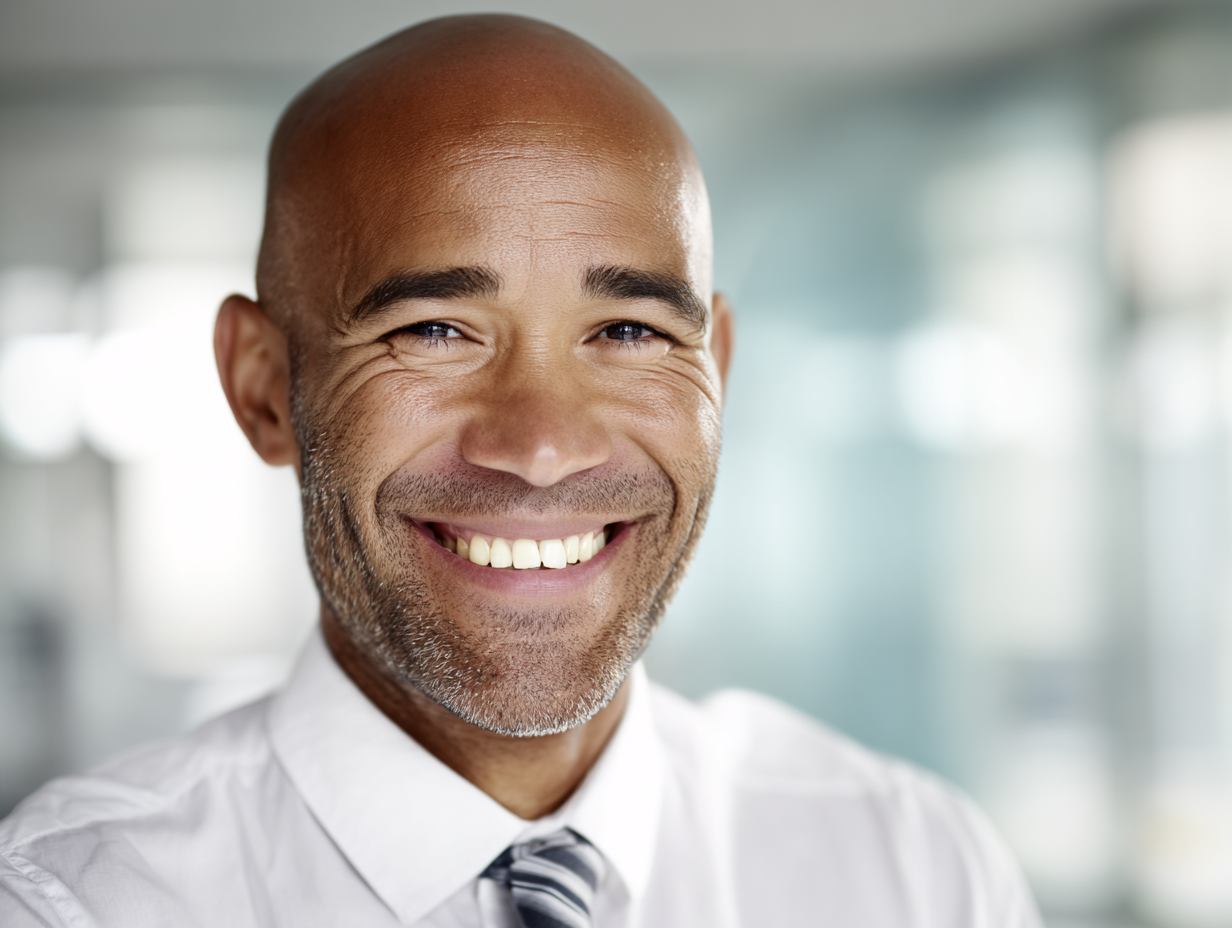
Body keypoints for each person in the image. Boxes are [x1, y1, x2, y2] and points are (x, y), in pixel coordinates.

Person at [0, 14, 1041, 927]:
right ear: (266, 388)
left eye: (628, 330)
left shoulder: (914, 872)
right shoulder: (78, 903)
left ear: (714, 373)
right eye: (437, 329)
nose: (542, 446)